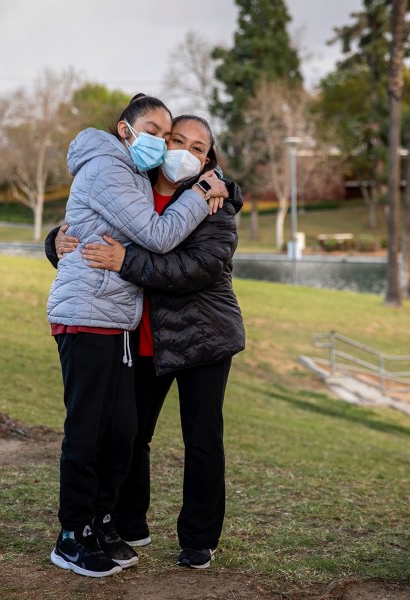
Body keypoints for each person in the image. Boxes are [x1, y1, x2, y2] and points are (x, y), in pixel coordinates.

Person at [47, 114, 244, 570]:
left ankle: (198, 538)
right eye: (177, 140)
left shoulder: (213, 201)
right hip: (137, 335)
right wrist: (54, 242)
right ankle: (126, 522)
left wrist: (124, 261)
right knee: (129, 435)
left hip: (201, 335)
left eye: (198, 148)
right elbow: (86, 224)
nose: (184, 152)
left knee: (202, 439)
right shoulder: (130, 181)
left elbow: (196, 269)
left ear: (207, 160)